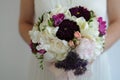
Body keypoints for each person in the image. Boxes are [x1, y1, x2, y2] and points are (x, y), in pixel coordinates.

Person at [19, 0, 120, 80]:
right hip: (47, 67)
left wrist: (91, 50)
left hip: (93, 66)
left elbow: (118, 21)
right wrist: (45, 47)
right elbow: (24, 22)